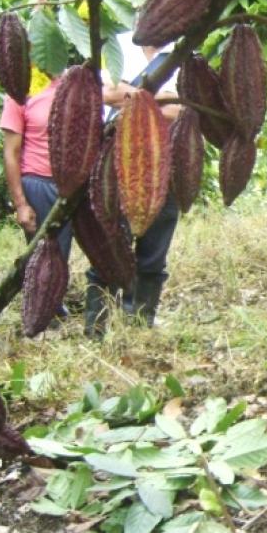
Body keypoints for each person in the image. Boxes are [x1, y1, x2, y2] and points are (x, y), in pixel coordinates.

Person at [83, 33, 180, 337]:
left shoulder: (184, 53)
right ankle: (97, 328)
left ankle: (138, 326)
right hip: (117, 162)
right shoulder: (119, 46)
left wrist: (133, 96)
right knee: (109, 245)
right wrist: (155, 99)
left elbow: (181, 110)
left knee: (153, 252)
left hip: (165, 167)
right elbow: (105, 93)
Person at [0, 66, 73, 322]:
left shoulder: (72, 83)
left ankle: (52, 304)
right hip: (38, 183)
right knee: (43, 252)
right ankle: (39, 313)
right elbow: (11, 152)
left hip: (73, 185)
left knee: (61, 252)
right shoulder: (21, 92)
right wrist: (20, 203)